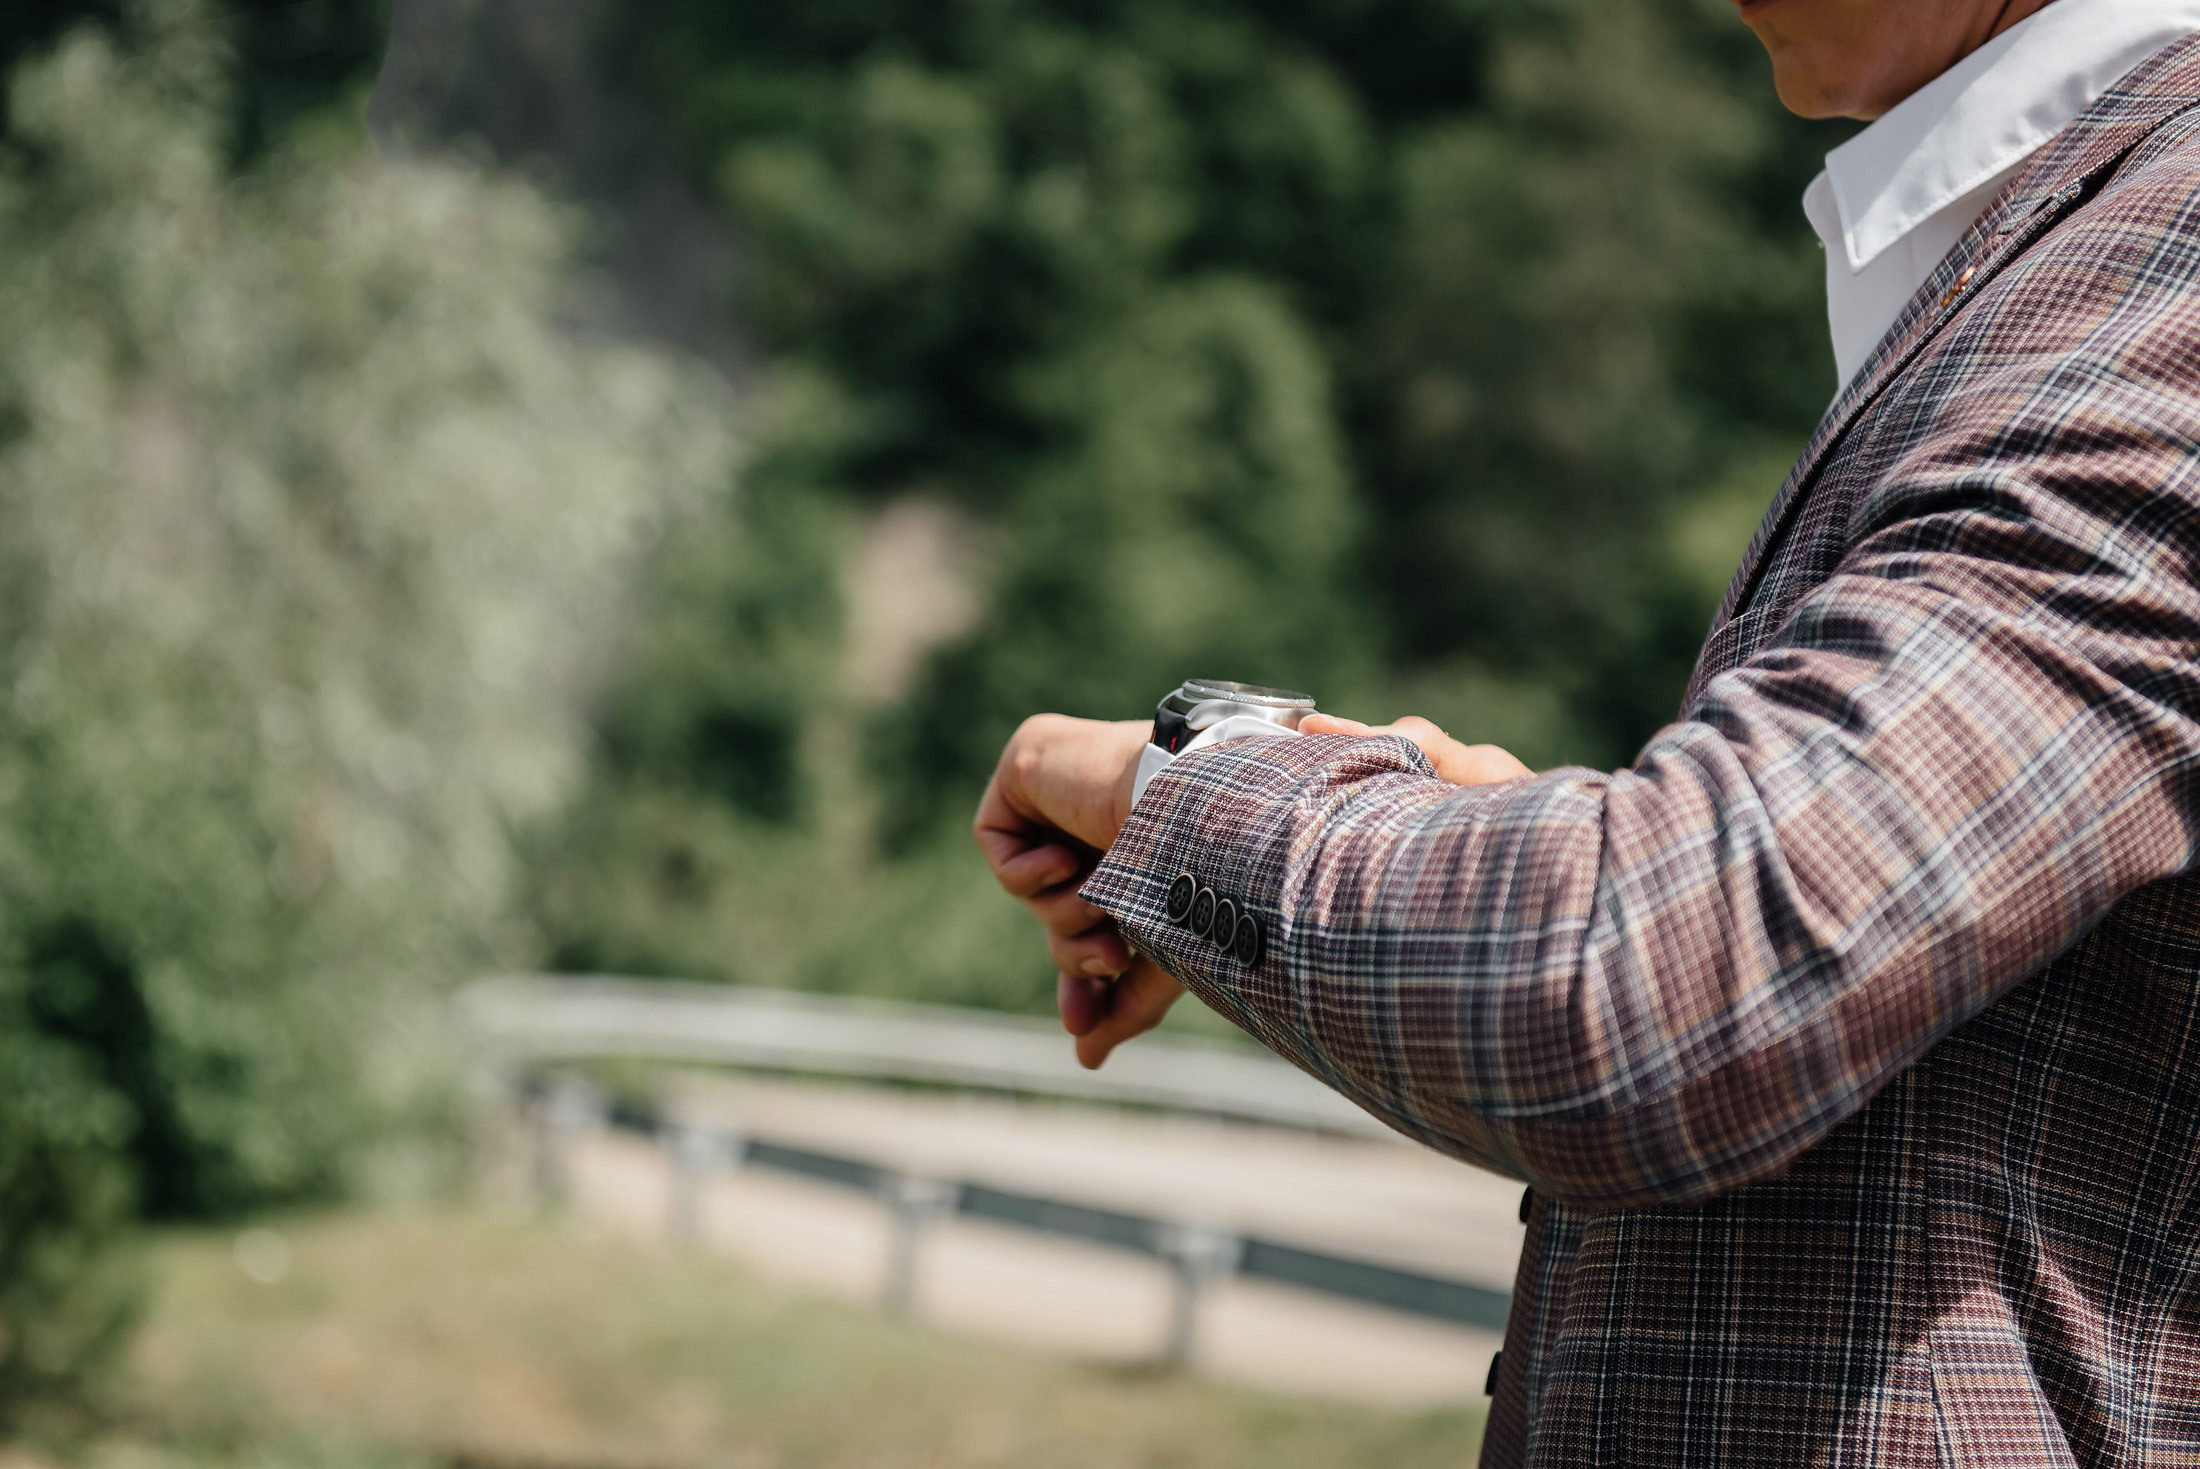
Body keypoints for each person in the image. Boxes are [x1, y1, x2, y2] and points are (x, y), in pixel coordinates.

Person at [976, 0, 2200, 1463]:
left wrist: (1170, 784)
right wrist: (1473, 839)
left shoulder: (2170, 268)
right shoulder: (2078, 245)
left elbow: (1660, 981)